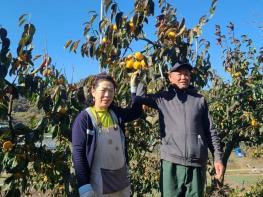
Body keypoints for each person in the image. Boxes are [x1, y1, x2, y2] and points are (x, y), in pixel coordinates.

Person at [131, 62, 224, 197]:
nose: (184, 77)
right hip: (171, 163)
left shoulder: (200, 100)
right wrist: (142, 76)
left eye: (187, 74)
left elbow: (210, 131)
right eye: (179, 74)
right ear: (170, 77)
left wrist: (218, 158)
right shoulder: (163, 98)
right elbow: (139, 98)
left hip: (197, 164)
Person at [72, 73, 141, 197]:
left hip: (121, 180)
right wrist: (84, 186)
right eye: (103, 90)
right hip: (98, 183)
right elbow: (78, 153)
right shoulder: (84, 119)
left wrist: (134, 88)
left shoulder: (115, 113)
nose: (107, 95)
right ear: (93, 91)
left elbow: (136, 112)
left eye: (111, 91)